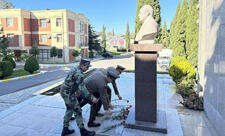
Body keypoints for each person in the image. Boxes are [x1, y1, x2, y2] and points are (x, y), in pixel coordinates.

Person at [60, 59, 97, 136]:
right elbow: (83, 88)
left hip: (65, 91)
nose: (88, 68)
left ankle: (65, 130)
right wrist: (91, 98)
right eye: (87, 67)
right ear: (82, 66)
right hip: (68, 93)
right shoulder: (79, 74)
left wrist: (76, 90)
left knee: (69, 109)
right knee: (77, 111)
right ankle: (83, 132)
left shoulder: (75, 68)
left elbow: (72, 81)